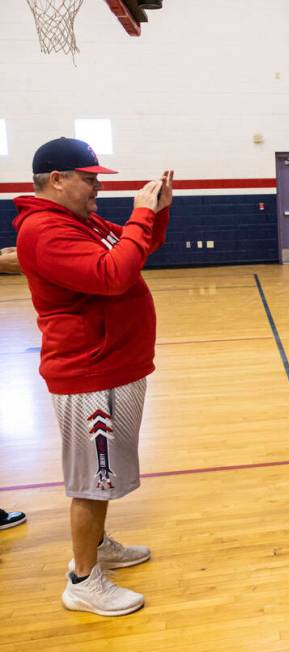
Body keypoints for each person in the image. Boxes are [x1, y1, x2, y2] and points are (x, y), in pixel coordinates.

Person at [13, 137, 174, 617]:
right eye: (89, 178)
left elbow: (136, 250)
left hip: (115, 366)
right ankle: (83, 580)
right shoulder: (44, 230)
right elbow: (112, 275)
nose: (98, 186)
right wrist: (140, 215)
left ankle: (99, 545)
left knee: (104, 475)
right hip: (88, 372)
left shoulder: (80, 220)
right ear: (57, 179)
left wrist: (156, 212)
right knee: (91, 479)